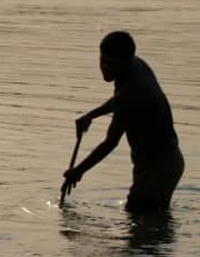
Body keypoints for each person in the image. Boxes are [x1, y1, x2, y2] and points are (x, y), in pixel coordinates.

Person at [62, 31, 185, 212]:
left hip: (157, 170)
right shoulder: (136, 66)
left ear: (126, 61)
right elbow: (119, 100)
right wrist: (92, 115)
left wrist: (78, 171)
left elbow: (110, 142)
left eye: (111, 64)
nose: (104, 67)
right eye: (102, 60)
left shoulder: (131, 93)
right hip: (165, 163)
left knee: (140, 222)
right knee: (153, 225)